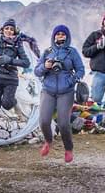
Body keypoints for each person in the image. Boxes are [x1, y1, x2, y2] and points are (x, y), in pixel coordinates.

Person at [34, 25, 85, 163]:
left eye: (63, 34)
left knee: (63, 123)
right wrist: (45, 66)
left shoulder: (72, 52)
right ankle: (48, 142)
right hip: (48, 90)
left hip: (66, 91)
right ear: (53, 36)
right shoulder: (47, 52)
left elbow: (81, 70)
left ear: (67, 37)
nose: (60, 36)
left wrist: (72, 80)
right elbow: (37, 71)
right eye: (58, 34)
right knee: (44, 121)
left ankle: (68, 149)